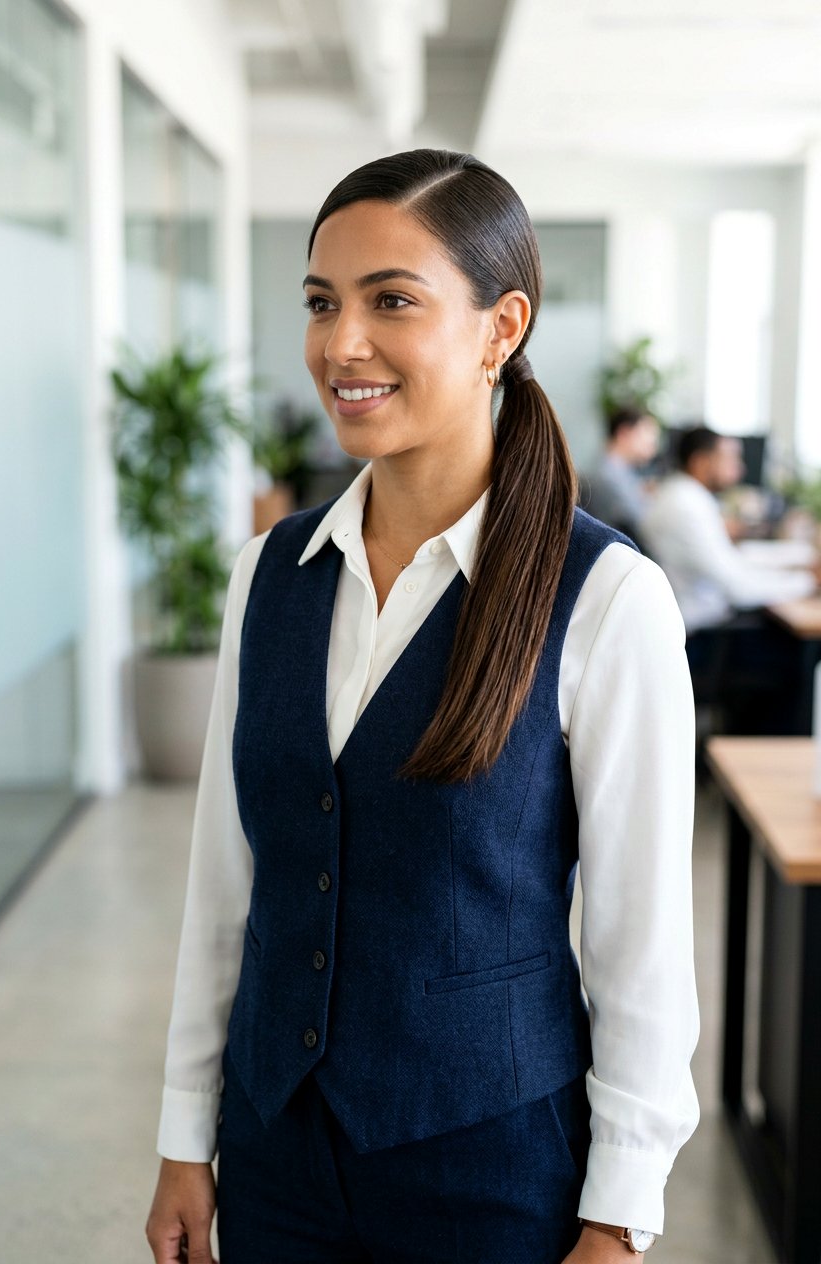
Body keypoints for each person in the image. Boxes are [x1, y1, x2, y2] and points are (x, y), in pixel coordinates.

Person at [146, 149, 699, 1264]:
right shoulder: (269, 572)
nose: (339, 344)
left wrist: (616, 1220)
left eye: (389, 300)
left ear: (500, 329)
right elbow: (227, 882)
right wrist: (181, 1134)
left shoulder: (607, 599)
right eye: (320, 303)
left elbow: (640, 945)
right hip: (273, 1152)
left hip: (490, 1169)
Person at [640, 425, 820, 634]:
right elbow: (738, 587)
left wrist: (798, 558)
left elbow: (731, 560)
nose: (740, 468)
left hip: (707, 617)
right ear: (701, 462)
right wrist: (809, 581)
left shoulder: (684, 494)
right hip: (706, 630)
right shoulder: (687, 505)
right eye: (730, 459)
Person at [577, 405, 660, 543]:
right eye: (647, 434)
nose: (652, 445)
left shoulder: (620, 470)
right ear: (624, 433)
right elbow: (641, 521)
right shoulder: (608, 475)